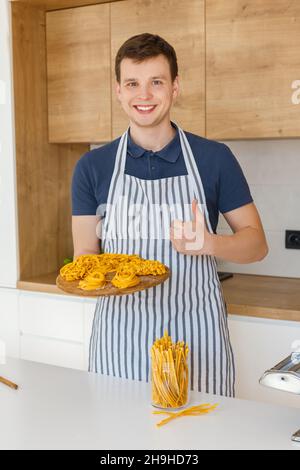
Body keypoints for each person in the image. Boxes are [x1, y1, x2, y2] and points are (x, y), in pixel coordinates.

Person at [71, 33, 268, 397]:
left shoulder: (214, 158)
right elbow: (85, 254)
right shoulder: (92, 167)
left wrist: (210, 243)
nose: (143, 95)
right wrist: (104, 276)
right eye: (132, 83)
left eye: (156, 82)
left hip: (197, 339)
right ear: (118, 90)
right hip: (119, 341)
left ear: (175, 87)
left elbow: (256, 245)